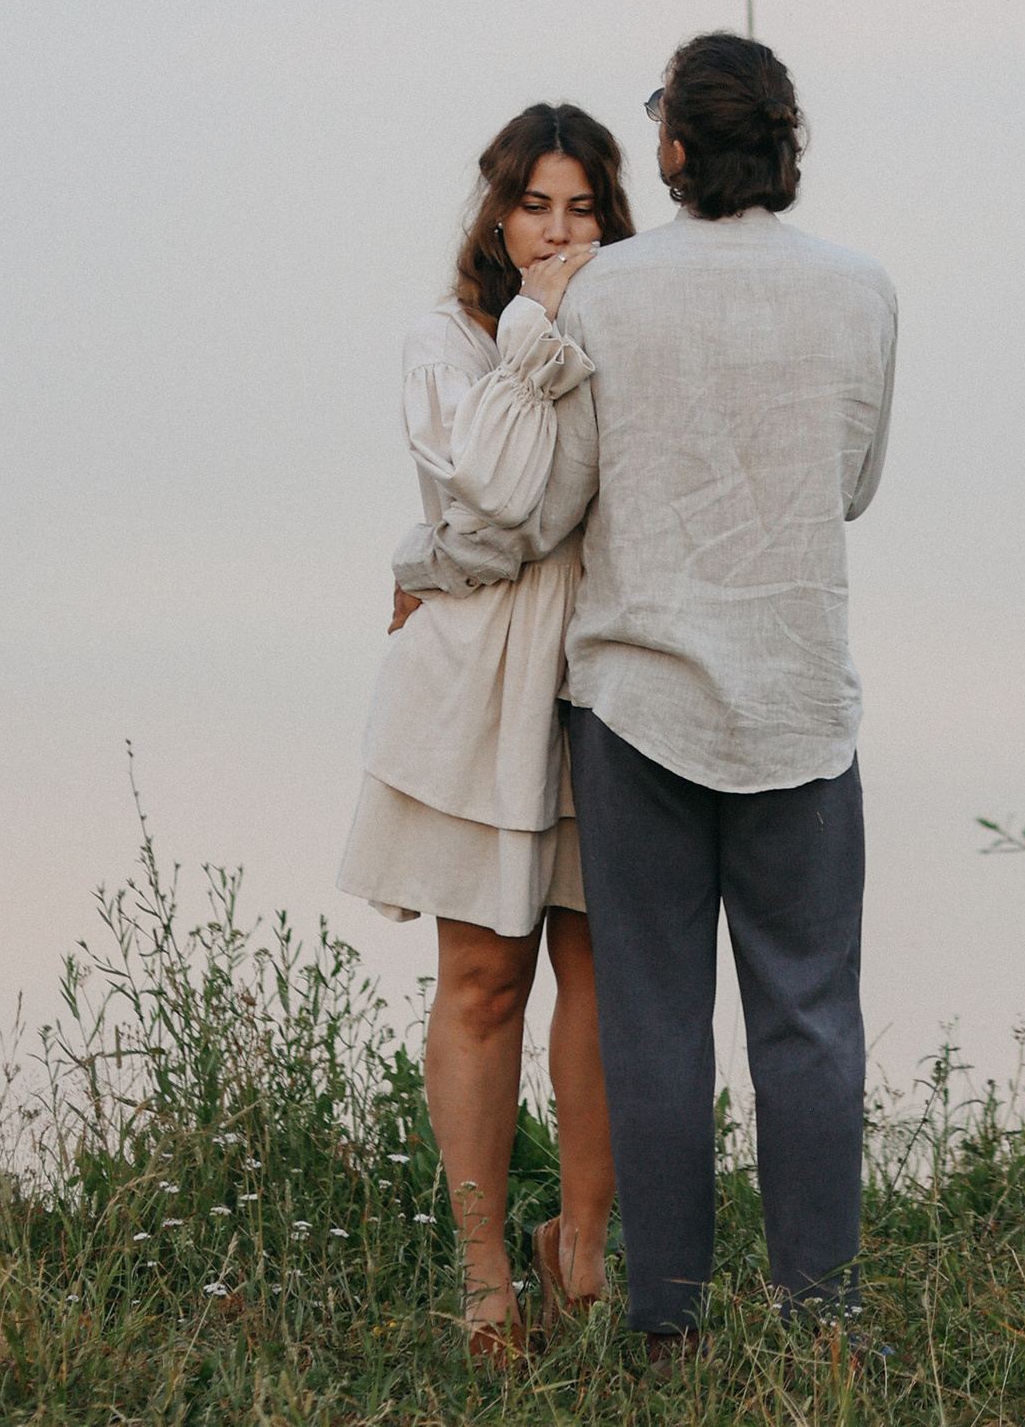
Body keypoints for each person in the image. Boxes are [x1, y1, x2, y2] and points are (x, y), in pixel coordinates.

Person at [532, 31, 897, 1364]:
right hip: (802, 703)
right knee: (809, 1020)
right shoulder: (863, 291)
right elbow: (852, 485)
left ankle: (666, 1327)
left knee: (653, 1022)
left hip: (635, 705)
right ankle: (821, 1319)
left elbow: (561, 492)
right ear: (784, 145)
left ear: (673, 151)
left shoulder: (603, 296)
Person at [337, 102, 631, 1360]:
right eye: (534, 206)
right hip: (475, 687)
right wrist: (535, 332)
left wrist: (429, 548)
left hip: (607, 673)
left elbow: (580, 509)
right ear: (496, 212)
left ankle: (583, 1249)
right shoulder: (446, 340)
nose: (558, 234)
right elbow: (511, 500)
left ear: (613, 216)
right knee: (481, 977)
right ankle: (483, 1283)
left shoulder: (638, 331)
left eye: (582, 208)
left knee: (605, 976)